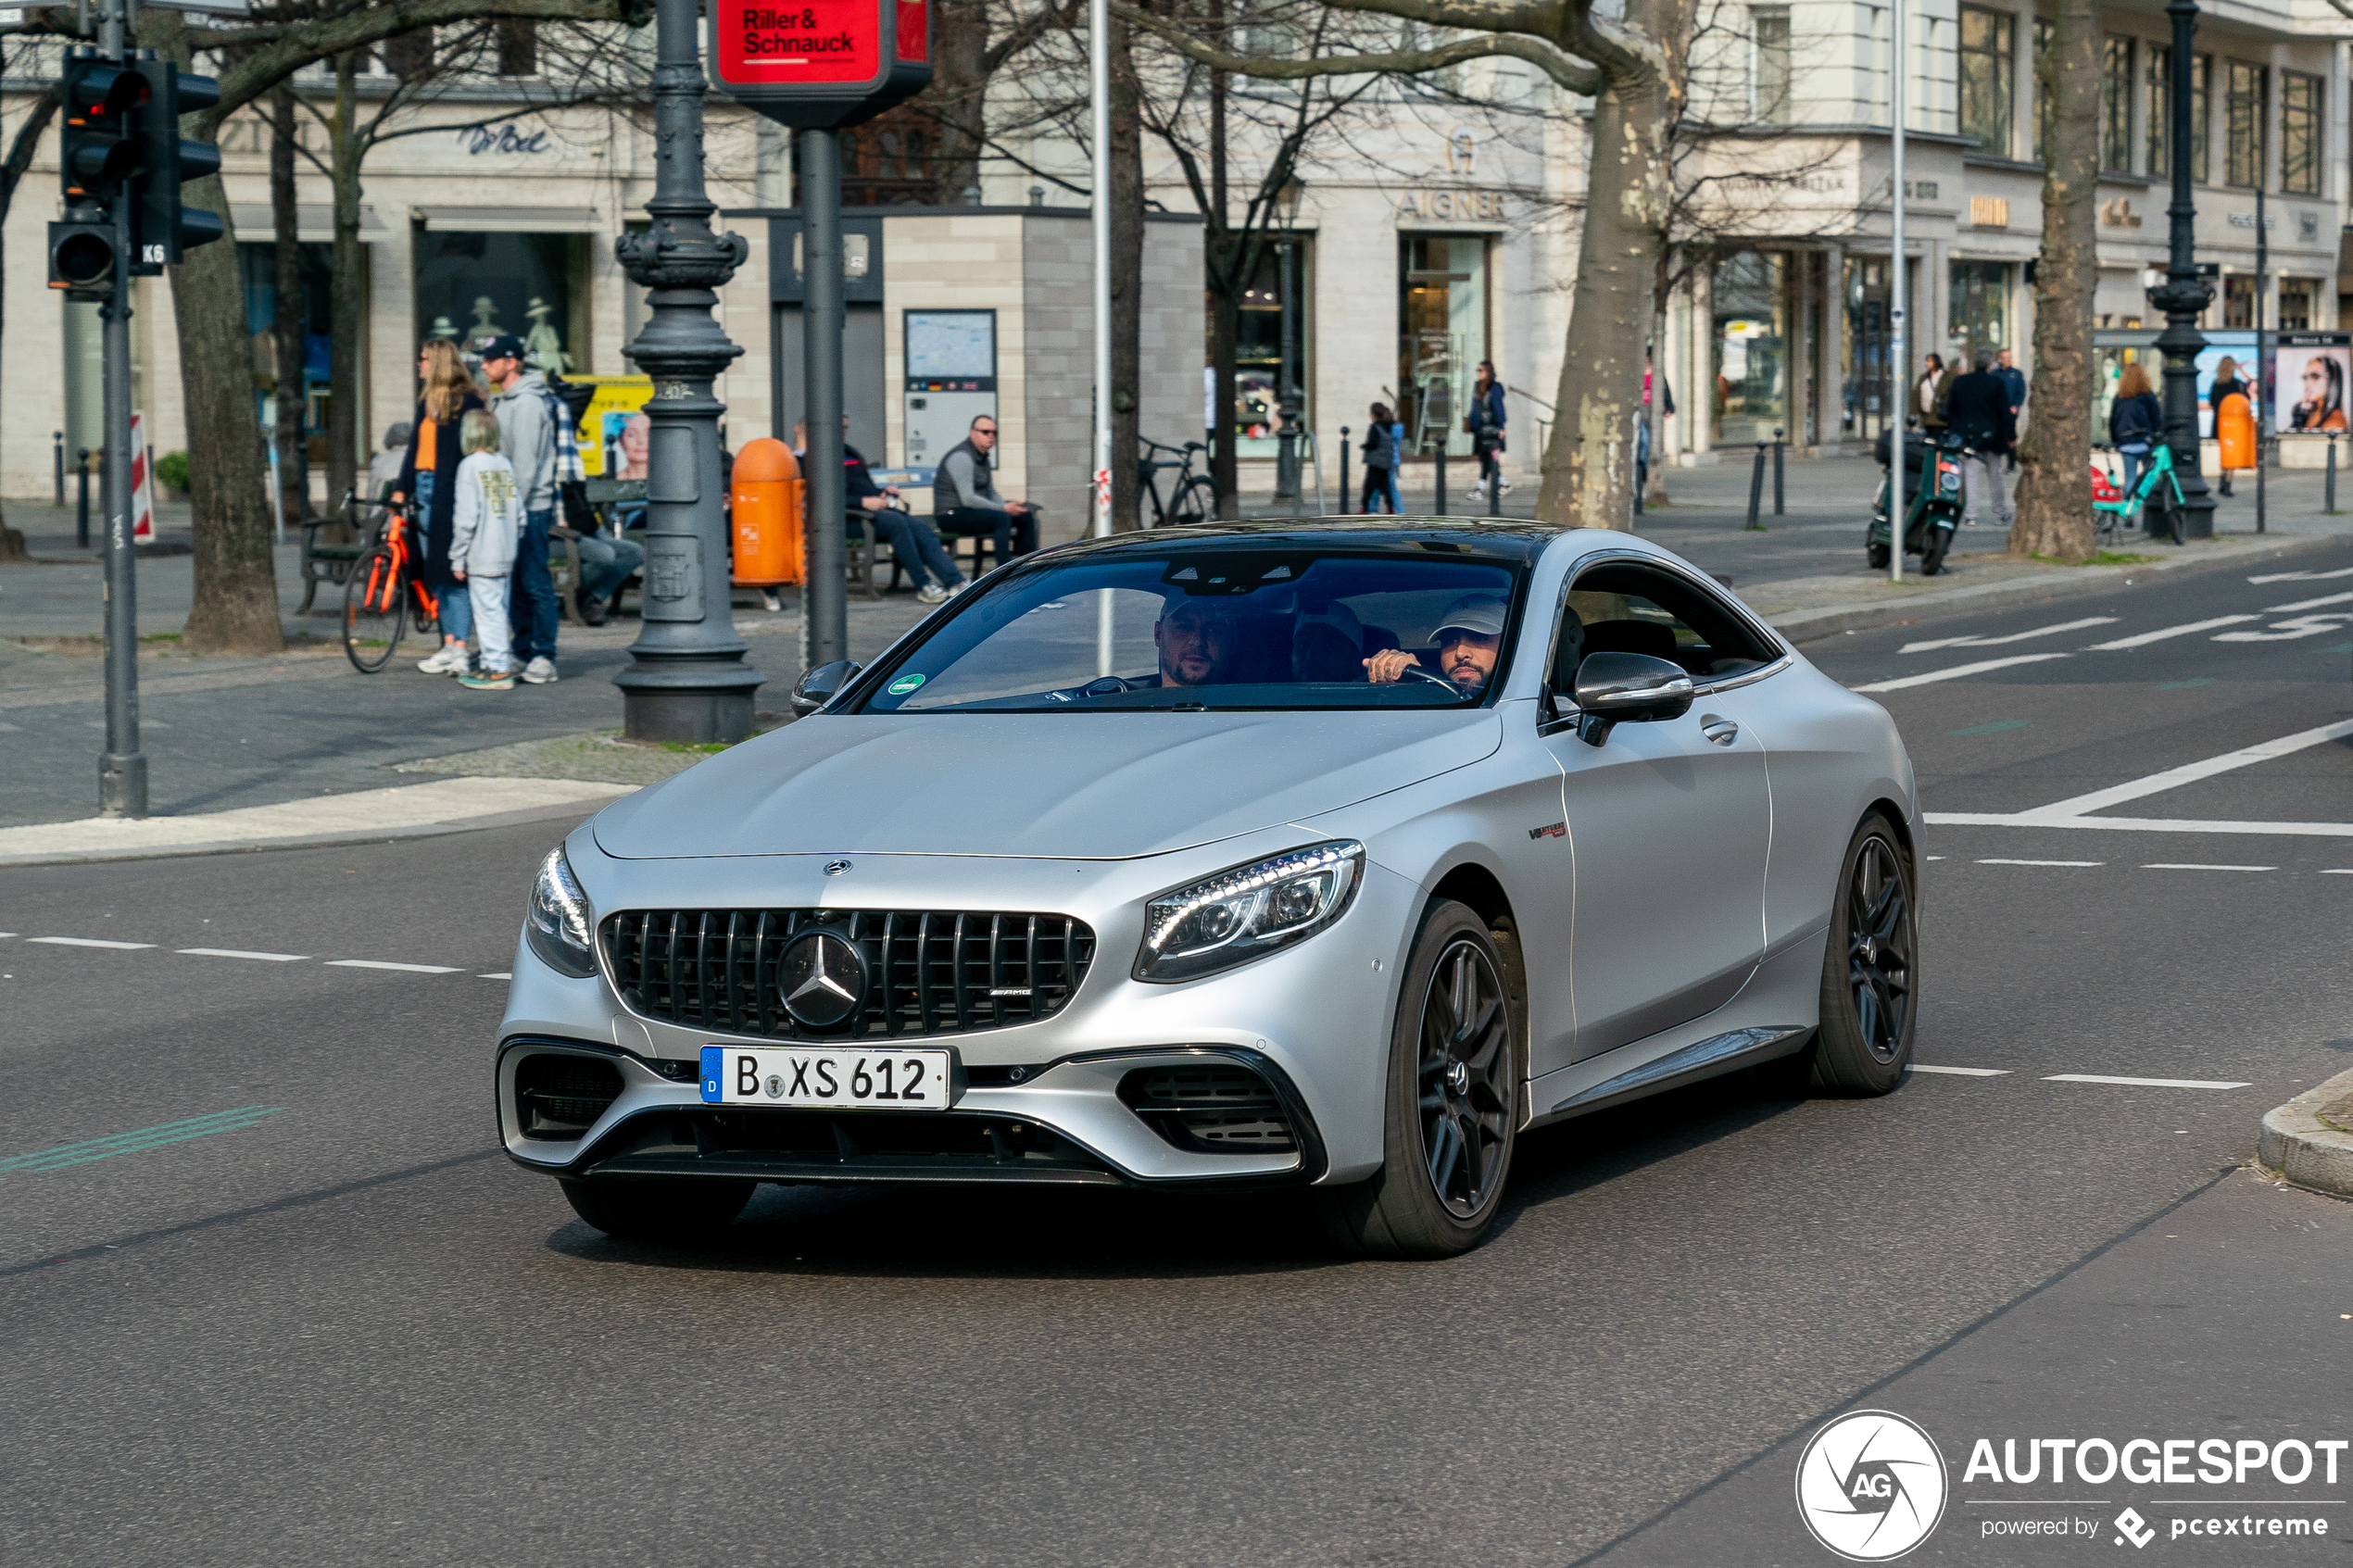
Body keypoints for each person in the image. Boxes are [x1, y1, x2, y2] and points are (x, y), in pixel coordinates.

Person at [795, 417, 969, 604]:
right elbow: (822, 499)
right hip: (844, 519)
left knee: (920, 527)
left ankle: (956, 582)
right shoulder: (810, 458)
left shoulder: (849, 453)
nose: (843, 430)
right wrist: (862, 502)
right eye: (839, 425)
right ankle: (924, 585)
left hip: (872, 514)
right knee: (897, 523)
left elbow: (865, 486)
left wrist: (882, 494)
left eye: (846, 426)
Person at [391, 340, 485, 676]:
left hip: (451, 492)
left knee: (453, 570)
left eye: (424, 359)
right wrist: (402, 490)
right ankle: (448, 643)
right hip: (423, 489)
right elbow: (414, 450)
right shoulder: (426, 402)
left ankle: (461, 646)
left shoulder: (468, 403)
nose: (419, 364)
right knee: (435, 572)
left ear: (439, 362)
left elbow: (469, 454)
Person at [480, 333, 563, 684]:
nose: (484, 365)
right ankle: (522, 649)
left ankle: (544, 655)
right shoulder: (501, 402)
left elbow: (526, 466)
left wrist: (513, 509)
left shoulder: (528, 404)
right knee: (514, 582)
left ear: (511, 362)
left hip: (530, 507)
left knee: (534, 581)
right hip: (510, 507)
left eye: (491, 359)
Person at [447, 409, 523, 690]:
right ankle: (494, 663)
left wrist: (457, 557)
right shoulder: (503, 463)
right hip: (505, 549)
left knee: (487, 612)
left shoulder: (469, 466)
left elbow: (466, 518)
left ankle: (499, 670)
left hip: (482, 551)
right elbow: (520, 513)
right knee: (498, 610)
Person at [932, 415, 1040, 563]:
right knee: (1001, 519)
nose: (991, 436)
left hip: (971, 512)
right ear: (972, 433)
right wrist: (1003, 508)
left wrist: (1009, 506)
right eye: (985, 432)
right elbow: (968, 499)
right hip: (950, 515)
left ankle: (1028, 566)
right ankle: (1005, 572)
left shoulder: (983, 457)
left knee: (1025, 516)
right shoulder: (961, 457)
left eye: (994, 432)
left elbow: (991, 492)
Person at [1365, 593, 1505, 696]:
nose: (1460, 653)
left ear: (1508, 647)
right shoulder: (1429, 699)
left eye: (1479, 638)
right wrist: (1405, 683)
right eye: (1450, 641)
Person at [1944, 348, 2018, 527]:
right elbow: (2004, 412)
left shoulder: (1961, 382)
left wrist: (1957, 429)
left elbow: (1951, 410)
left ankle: (1971, 514)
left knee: (1970, 474)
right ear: (1988, 364)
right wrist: (2011, 435)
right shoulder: (1996, 383)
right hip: (1993, 436)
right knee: (1995, 474)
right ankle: (2000, 512)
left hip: (1969, 436)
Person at [1151, 598, 1236, 687]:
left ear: (1233, 641)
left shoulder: (1249, 699)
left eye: (1213, 630)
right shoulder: (1138, 700)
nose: (1198, 641)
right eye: (1184, 627)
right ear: (1158, 635)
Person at [2108, 362, 2164, 495]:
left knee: (2129, 478)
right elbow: (2156, 417)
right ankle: (2149, 505)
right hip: (2144, 440)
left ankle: (2128, 511)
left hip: (2125, 442)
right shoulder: (2147, 395)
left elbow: (2113, 420)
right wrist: (2157, 433)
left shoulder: (2119, 397)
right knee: (2150, 476)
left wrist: (2116, 441)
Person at [1465, 360, 1508, 501]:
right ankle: (1503, 483)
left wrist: (1501, 427)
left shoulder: (1494, 388)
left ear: (1488, 372)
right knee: (1486, 459)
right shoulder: (1478, 387)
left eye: (1481, 370)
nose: (1478, 373)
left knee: (1488, 460)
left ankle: (1481, 487)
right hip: (1481, 430)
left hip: (1492, 429)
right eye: (1477, 370)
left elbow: (1498, 409)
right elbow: (1475, 408)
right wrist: (1472, 423)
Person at [1292, 601, 1366, 682]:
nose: (1311, 654)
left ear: (1356, 661)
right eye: (1302, 645)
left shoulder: (1375, 694)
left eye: (1329, 646)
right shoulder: (1277, 692)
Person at [2208, 357, 2249, 495]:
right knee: (2231, 454)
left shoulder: (2216, 384)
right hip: (2235, 423)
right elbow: (2246, 401)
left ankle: (2222, 481)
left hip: (2220, 423)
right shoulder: (2238, 384)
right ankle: (2227, 484)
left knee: (2224, 453)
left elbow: (2212, 402)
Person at [1360, 403, 1403, 514]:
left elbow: (1373, 443)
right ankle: (1393, 509)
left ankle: (1369, 509)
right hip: (1390, 461)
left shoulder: (1377, 427)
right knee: (1386, 486)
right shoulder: (1393, 427)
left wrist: (1364, 446)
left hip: (1378, 462)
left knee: (1372, 486)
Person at [2289, 354, 2348, 433]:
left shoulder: (2334, 424)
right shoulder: (2310, 413)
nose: (2307, 384)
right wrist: (2298, 421)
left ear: (2332, 380)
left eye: (2315, 376)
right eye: (2305, 377)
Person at [1994, 349, 2027, 473]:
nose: (2008, 360)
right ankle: (1995, 465)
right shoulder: (1994, 374)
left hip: (2010, 412)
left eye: (2010, 357)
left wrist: (2016, 405)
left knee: (2011, 438)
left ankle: (2011, 464)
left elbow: (2021, 392)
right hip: (1997, 412)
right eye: (2006, 358)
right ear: (2000, 359)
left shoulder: (2017, 374)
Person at [367, 422, 410, 504]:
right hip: (410, 511)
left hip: (382, 510)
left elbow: (371, 491)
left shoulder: (379, 460)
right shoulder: (416, 461)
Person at [1915, 354, 1948, 432]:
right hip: (1926, 418)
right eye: (1927, 361)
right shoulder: (1923, 377)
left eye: (1930, 361)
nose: (1927, 363)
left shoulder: (1946, 377)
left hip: (1940, 418)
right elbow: (1916, 395)